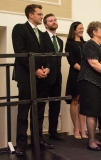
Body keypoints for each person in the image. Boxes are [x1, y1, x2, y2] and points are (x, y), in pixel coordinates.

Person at [12, 4, 53, 156]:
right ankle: (21, 145)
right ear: (31, 15)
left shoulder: (43, 35)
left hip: (42, 78)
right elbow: (20, 52)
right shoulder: (19, 29)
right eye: (40, 14)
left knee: (40, 112)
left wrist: (47, 69)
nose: (42, 17)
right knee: (23, 112)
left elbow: (48, 54)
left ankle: (38, 140)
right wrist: (35, 70)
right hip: (26, 78)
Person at [78, 21, 101, 151]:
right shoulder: (89, 45)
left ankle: (94, 138)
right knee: (91, 112)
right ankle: (91, 141)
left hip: (100, 83)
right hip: (89, 82)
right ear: (94, 32)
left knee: (96, 111)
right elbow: (93, 63)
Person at [42, 13, 65, 141]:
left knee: (55, 106)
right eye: (50, 21)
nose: (54, 22)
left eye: (55, 20)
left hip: (57, 78)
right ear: (45, 24)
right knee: (40, 107)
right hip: (44, 77)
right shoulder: (42, 37)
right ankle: (38, 135)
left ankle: (53, 132)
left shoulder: (60, 41)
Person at [65, 21, 88, 139]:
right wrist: (82, 70)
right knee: (75, 100)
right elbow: (71, 61)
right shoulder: (69, 43)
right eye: (79, 28)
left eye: (82, 28)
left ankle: (83, 129)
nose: (82, 30)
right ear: (73, 30)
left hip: (85, 76)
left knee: (83, 102)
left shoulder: (85, 43)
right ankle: (76, 128)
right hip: (75, 74)